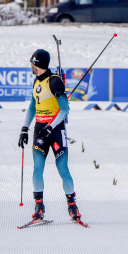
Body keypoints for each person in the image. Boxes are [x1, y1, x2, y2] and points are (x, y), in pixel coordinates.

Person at [17, 49, 81, 223]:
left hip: (56, 131)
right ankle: (39, 207)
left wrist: (50, 127)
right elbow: (32, 107)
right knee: (37, 169)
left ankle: (72, 206)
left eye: (31, 62)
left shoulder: (55, 82)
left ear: (36, 63)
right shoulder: (35, 83)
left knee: (63, 170)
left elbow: (65, 110)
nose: (30, 65)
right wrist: (25, 128)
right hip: (39, 130)